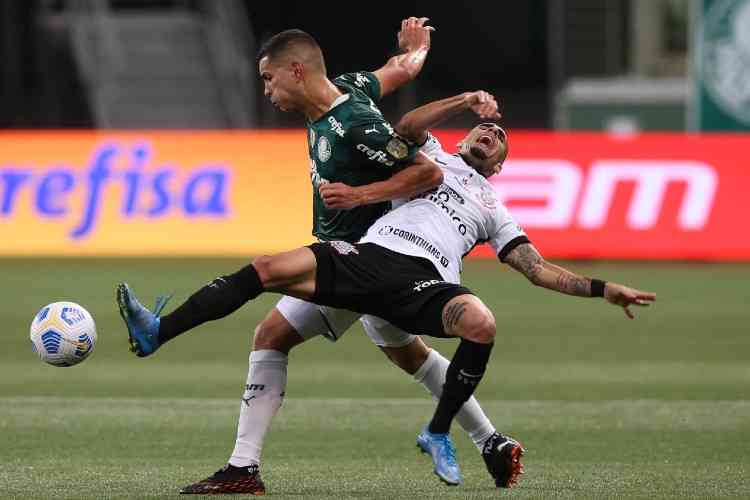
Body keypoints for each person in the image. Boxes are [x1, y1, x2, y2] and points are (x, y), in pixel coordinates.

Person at [117, 89, 656, 491]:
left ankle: (476, 438)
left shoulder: (494, 209)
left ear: (501, 166)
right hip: (368, 257)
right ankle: (236, 457)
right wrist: (465, 100)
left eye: (499, 142)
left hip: (419, 282)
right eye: (484, 130)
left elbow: (538, 269)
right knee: (272, 325)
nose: (491, 135)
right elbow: (409, 124)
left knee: (428, 353)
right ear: (466, 137)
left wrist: (603, 289)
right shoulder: (431, 155)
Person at [119, 21, 513, 494]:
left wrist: (360, 193)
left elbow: (427, 173)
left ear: (296, 71)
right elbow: (395, 71)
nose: (265, 89)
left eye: (269, 78)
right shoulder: (348, 89)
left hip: (365, 261)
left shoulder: (357, 126)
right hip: (371, 262)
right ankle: (491, 442)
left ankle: (227, 442)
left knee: (271, 318)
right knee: (412, 358)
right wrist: (417, 50)